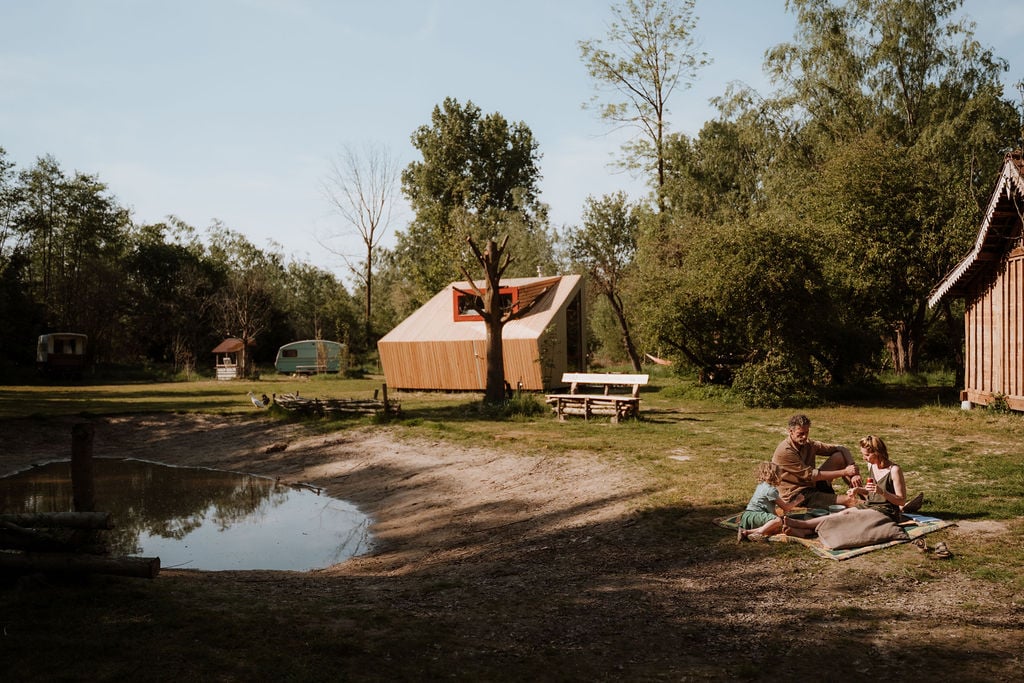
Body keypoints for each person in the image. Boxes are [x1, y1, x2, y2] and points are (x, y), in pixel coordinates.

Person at [771, 414, 862, 510]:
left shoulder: (808, 444)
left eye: (807, 432)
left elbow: (841, 448)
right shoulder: (785, 451)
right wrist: (845, 472)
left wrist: (853, 472)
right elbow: (811, 475)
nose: (804, 436)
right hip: (796, 494)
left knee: (839, 457)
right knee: (849, 501)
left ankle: (864, 495)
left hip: (811, 484)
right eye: (801, 434)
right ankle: (873, 507)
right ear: (790, 432)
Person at [846, 435, 923, 521]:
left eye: (867, 455)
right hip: (870, 506)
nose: (864, 458)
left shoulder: (894, 470)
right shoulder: (871, 465)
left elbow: (901, 501)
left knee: (861, 519)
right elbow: (872, 492)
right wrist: (857, 489)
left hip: (888, 510)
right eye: (863, 454)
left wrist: (882, 492)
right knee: (846, 514)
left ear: (877, 453)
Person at [737, 462, 806, 541]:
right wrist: (797, 500)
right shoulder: (771, 490)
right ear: (775, 475)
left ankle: (747, 532)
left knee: (775, 525)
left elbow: (771, 509)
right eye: (780, 474)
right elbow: (786, 508)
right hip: (755, 516)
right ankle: (758, 533)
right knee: (777, 521)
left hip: (747, 517)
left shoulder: (761, 486)